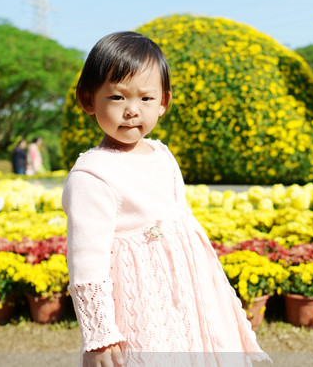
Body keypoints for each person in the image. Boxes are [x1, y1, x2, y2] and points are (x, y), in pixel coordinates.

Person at [62, 31, 268, 367]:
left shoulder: (162, 154)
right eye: (116, 97)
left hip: (191, 292)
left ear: (163, 103)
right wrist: (100, 337)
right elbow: (87, 266)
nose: (132, 111)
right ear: (88, 100)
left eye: (145, 99)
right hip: (143, 302)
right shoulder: (92, 175)